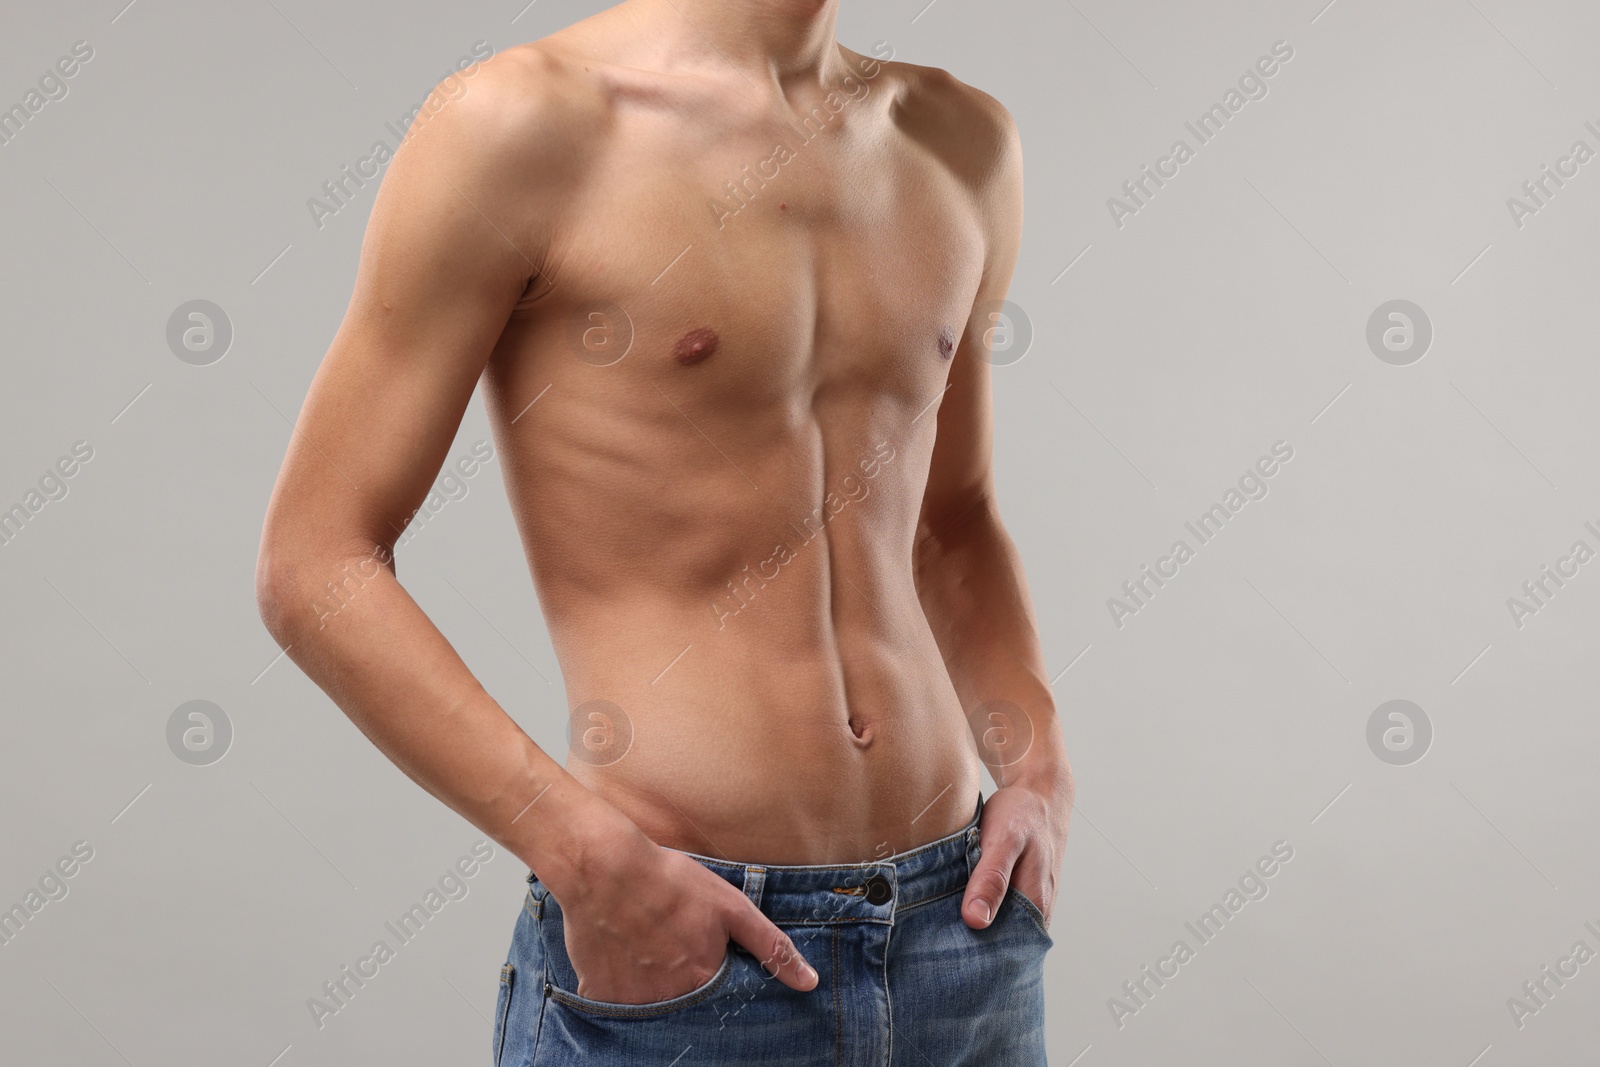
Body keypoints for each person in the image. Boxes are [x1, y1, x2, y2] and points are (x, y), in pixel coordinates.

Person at [255, 0, 1072, 1061]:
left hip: (957, 940)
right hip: (686, 955)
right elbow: (313, 561)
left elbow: (950, 525)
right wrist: (583, 855)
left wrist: (1039, 770)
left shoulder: (959, 137)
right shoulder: (521, 125)